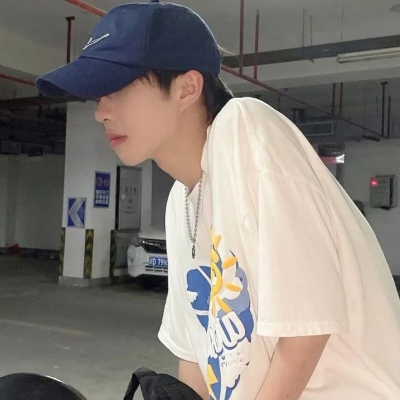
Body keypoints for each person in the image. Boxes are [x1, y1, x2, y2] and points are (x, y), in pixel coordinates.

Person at [36, 1, 400, 399]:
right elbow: (195, 357)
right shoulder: (181, 201)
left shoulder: (245, 127)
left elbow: (306, 332)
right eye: (97, 97)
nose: (101, 113)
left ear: (187, 88)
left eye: (117, 89)